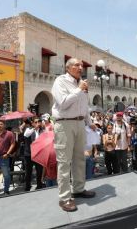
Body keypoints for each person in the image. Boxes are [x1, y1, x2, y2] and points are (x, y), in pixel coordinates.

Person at [51, 58, 96, 212]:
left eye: (82, 65)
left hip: (79, 123)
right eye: (77, 65)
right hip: (64, 123)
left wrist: (89, 122)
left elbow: (85, 106)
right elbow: (62, 103)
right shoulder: (60, 81)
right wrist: (78, 90)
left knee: (79, 159)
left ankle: (78, 189)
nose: (80, 67)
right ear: (68, 67)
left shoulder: (81, 83)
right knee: (64, 162)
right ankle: (64, 198)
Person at [22, 117, 45, 191]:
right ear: (32, 123)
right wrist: (34, 128)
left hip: (39, 154)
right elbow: (26, 135)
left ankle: (39, 185)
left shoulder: (43, 131)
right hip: (29, 154)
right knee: (28, 171)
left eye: (39, 121)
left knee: (39, 171)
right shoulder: (29, 129)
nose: (37, 123)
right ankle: (27, 186)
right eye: (35, 122)